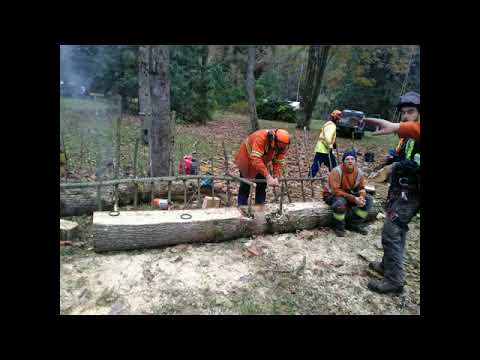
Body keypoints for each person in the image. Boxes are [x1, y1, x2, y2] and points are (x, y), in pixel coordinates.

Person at [363, 91, 420, 295]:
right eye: (404, 112)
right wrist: (382, 166)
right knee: (397, 228)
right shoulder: (406, 137)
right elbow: (398, 156)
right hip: (400, 189)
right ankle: (388, 265)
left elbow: (415, 165)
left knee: (391, 230)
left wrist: (392, 168)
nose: (406, 116)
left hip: (413, 193)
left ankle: (395, 280)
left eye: (411, 112)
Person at [323, 149, 373, 237]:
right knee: (340, 204)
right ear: (343, 161)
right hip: (332, 195)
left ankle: (354, 224)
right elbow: (336, 191)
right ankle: (339, 227)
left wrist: (361, 197)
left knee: (368, 200)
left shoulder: (358, 172)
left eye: (352, 159)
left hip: (347, 193)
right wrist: (354, 199)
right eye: (347, 159)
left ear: (355, 161)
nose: (350, 161)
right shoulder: (336, 171)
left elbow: (361, 188)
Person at [234, 128, 290, 206]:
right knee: (245, 184)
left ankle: (260, 206)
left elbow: (278, 162)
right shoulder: (260, 138)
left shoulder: (281, 147)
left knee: (262, 184)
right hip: (246, 158)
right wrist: (268, 176)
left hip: (262, 160)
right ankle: (242, 206)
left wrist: (276, 176)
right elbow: (255, 159)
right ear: (274, 140)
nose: (280, 150)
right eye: (279, 148)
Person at [309, 110, 341, 177]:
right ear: (335, 119)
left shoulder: (328, 124)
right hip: (325, 149)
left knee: (317, 164)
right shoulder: (332, 126)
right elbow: (328, 137)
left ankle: (310, 176)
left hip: (321, 148)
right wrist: (330, 146)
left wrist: (333, 143)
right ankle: (335, 177)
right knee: (333, 165)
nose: (339, 121)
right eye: (338, 119)